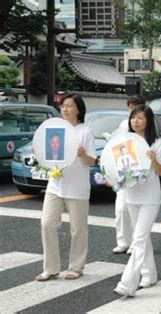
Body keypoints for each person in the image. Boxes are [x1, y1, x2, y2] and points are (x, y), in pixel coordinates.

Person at [36, 94, 96, 281]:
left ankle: (76, 267)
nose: (65, 109)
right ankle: (51, 268)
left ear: (78, 109)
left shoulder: (85, 131)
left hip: (77, 188)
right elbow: (46, 155)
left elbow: (92, 160)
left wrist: (83, 154)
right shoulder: (54, 128)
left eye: (69, 106)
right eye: (63, 106)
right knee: (47, 224)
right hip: (55, 185)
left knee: (78, 229)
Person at [113, 105, 161, 297]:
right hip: (131, 195)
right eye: (133, 118)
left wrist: (153, 159)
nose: (136, 121)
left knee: (138, 238)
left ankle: (128, 282)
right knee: (141, 237)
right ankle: (150, 274)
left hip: (150, 197)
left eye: (140, 118)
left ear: (148, 121)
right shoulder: (125, 141)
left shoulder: (157, 144)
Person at [113, 95, 145, 255]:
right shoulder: (123, 125)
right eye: (130, 107)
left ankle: (135, 242)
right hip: (123, 171)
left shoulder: (148, 126)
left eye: (136, 107)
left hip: (140, 174)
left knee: (134, 209)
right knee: (121, 208)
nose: (132, 111)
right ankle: (122, 241)